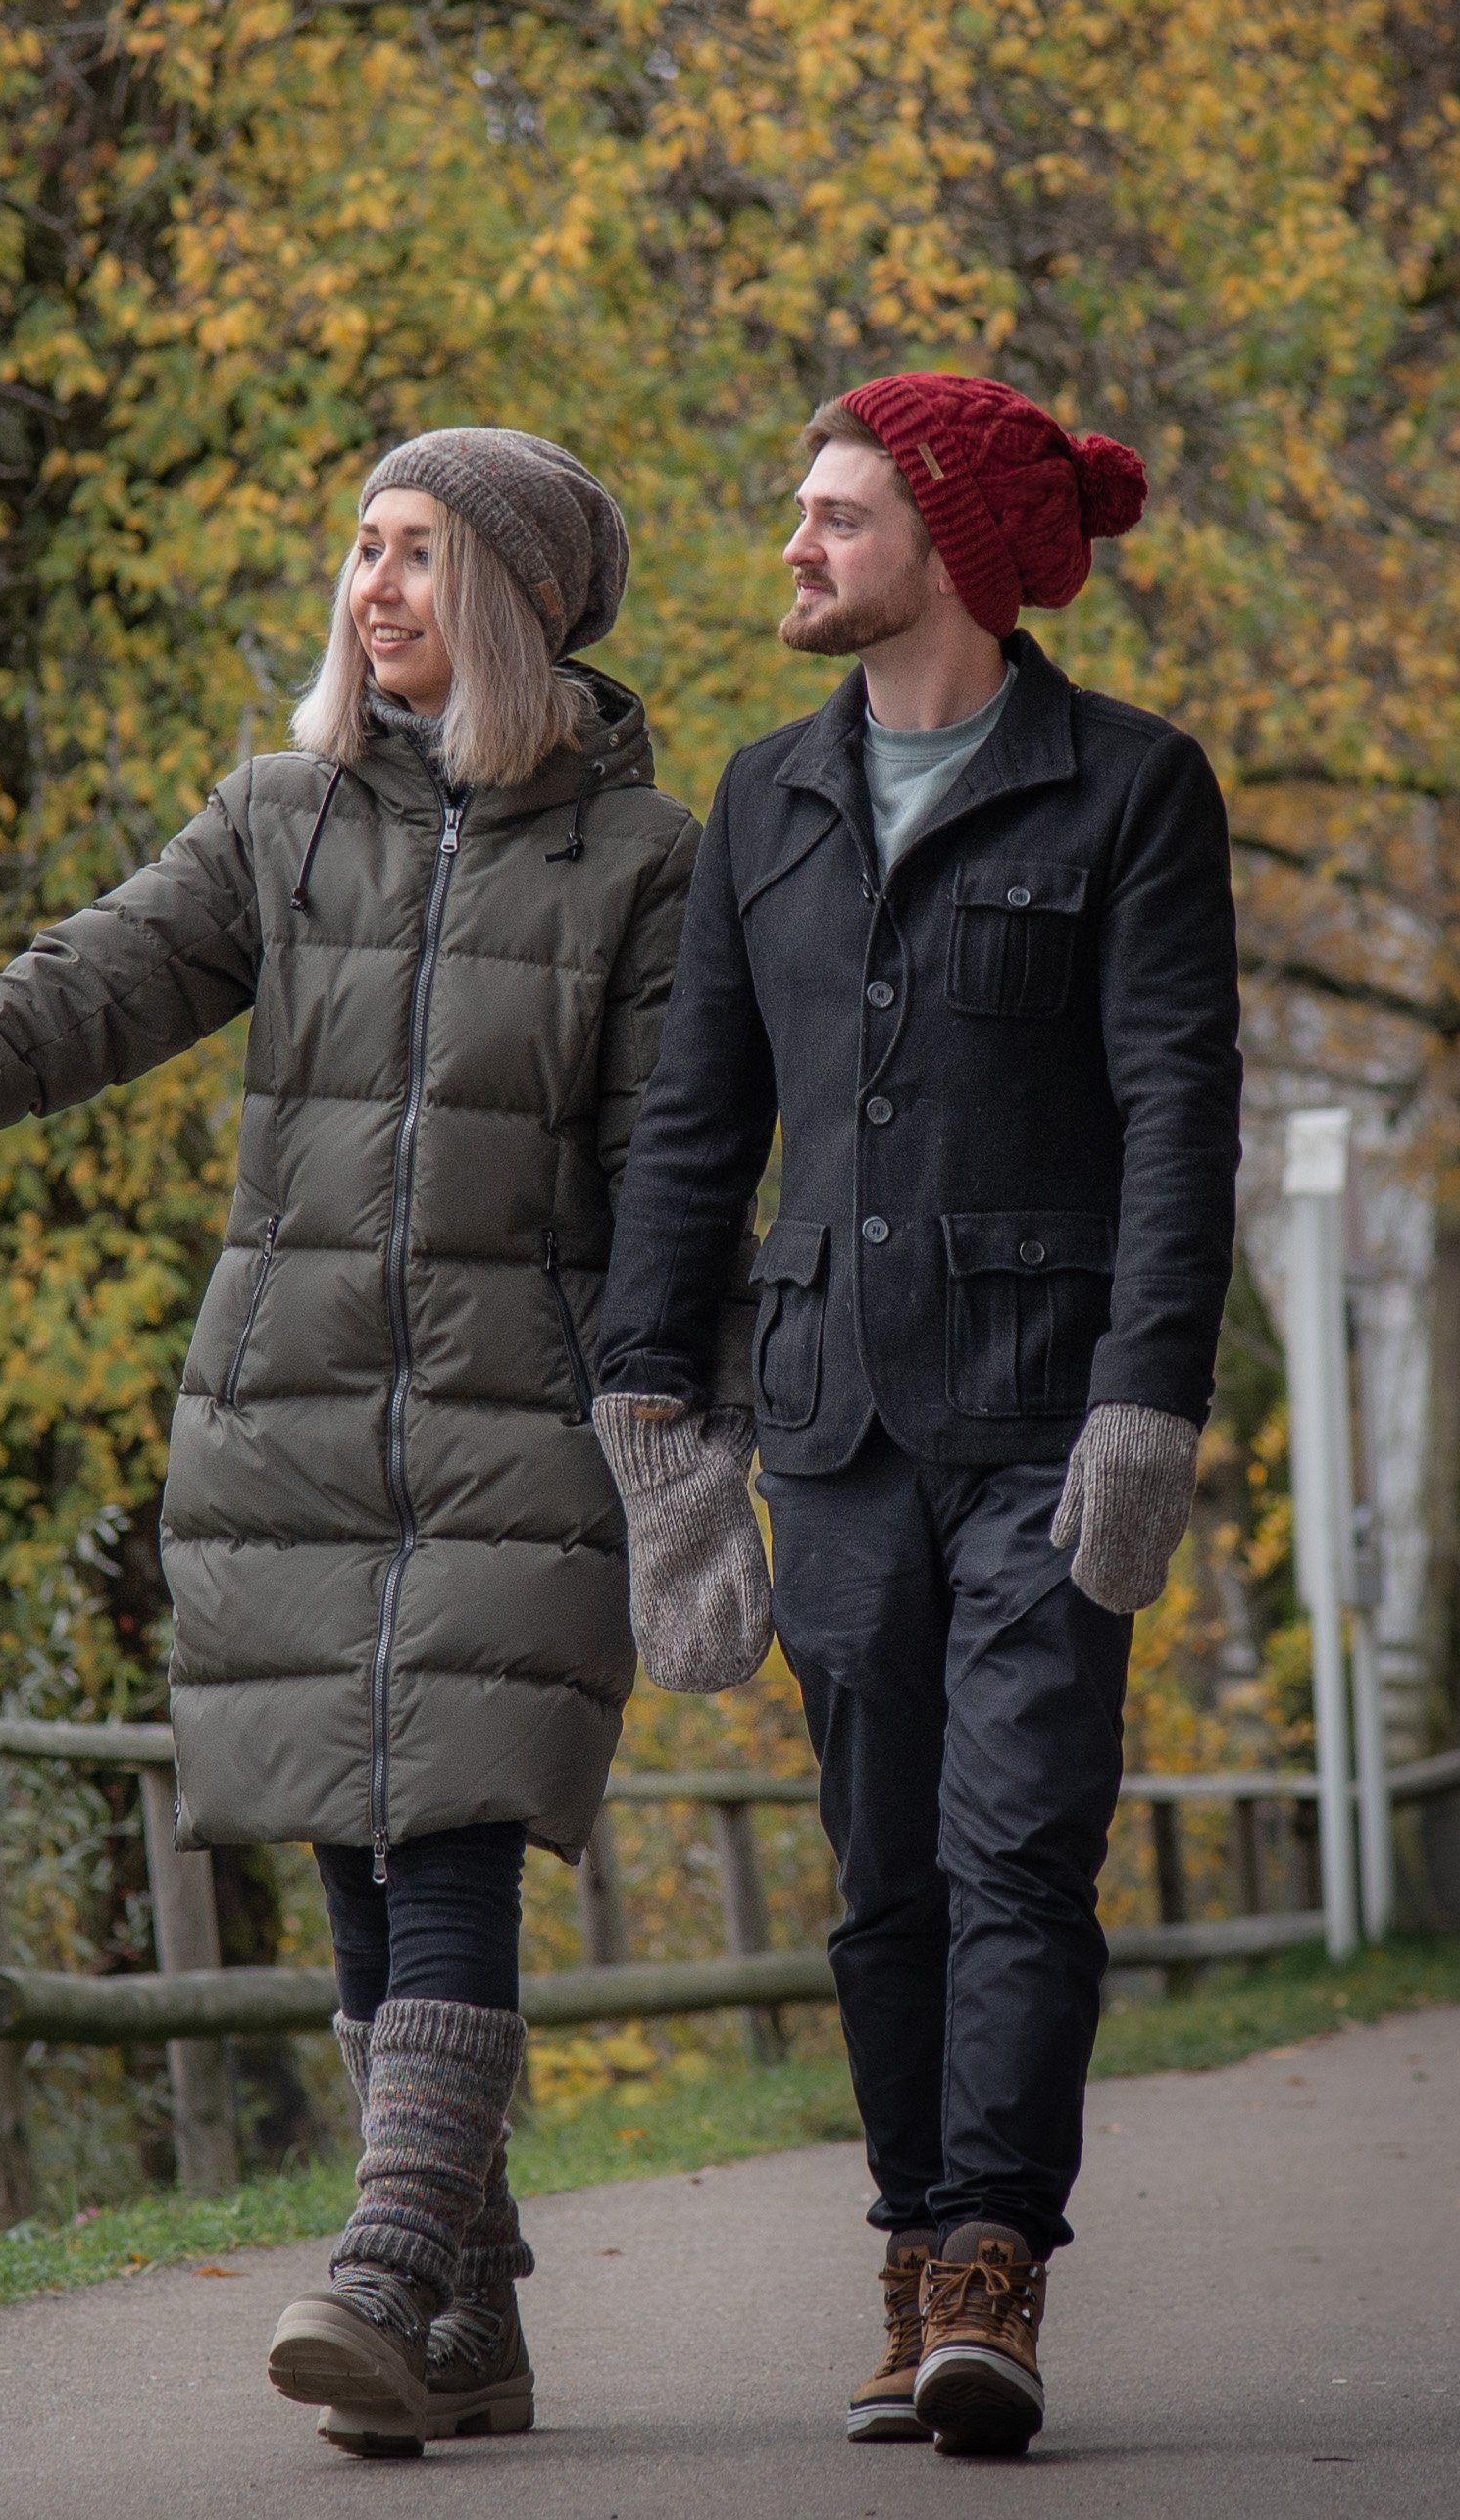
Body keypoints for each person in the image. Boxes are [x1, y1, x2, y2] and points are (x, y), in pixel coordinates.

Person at [0, 430, 699, 2456]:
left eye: (417, 553)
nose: (372, 587)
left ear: (518, 600)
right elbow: (71, 997)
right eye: (360, 548)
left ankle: (381, 2257)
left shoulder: (646, 866)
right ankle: (465, 2313)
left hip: (516, 1416)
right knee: (356, 1851)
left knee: (450, 1822)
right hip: (284, 1403)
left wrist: (673, 1425)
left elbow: (668, 1174)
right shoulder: (277, 822)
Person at [588, 376, 1241, 2460]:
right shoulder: (761, 792)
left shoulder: (1127, 788)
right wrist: (651, 1398)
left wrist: (1148, 1397)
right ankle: (903, 2248)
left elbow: (1175, 1114)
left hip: (1050, 1417)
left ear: (944, 541)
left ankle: (987, 2258)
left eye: (832, 512)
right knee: (879, 1867)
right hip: (833, 1421)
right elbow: (695, 1127)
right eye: (797, 508)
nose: (789, 544)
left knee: (1015, 1839)